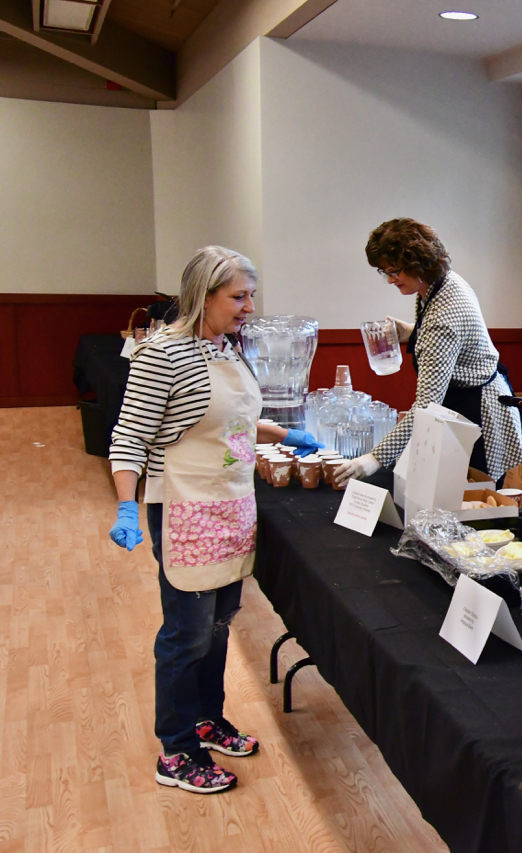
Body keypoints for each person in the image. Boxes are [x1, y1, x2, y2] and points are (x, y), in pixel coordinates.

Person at [106, 246, 324, 794]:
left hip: (229, 504)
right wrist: (127, 506)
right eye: (238, 297)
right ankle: (176, 749)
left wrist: (283, 435)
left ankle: (207, 717)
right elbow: (129, 437)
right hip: (182, 504)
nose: (248, 306)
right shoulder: (164, 355)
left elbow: (237, 423)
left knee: (220, 621)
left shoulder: (226, 349)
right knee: (186, 632)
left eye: (251, 295)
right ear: (202, 296)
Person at [335, 219, 522, 487]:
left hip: (480, 415)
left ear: (419, 263)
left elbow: (427, 407)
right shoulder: (441, 283)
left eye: (394, 271)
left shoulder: (442, 317)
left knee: (472, 513)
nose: (389, 280)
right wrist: (412, 332)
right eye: (384, 271)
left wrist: (374, 459)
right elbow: (452, 341)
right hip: (473, 403)